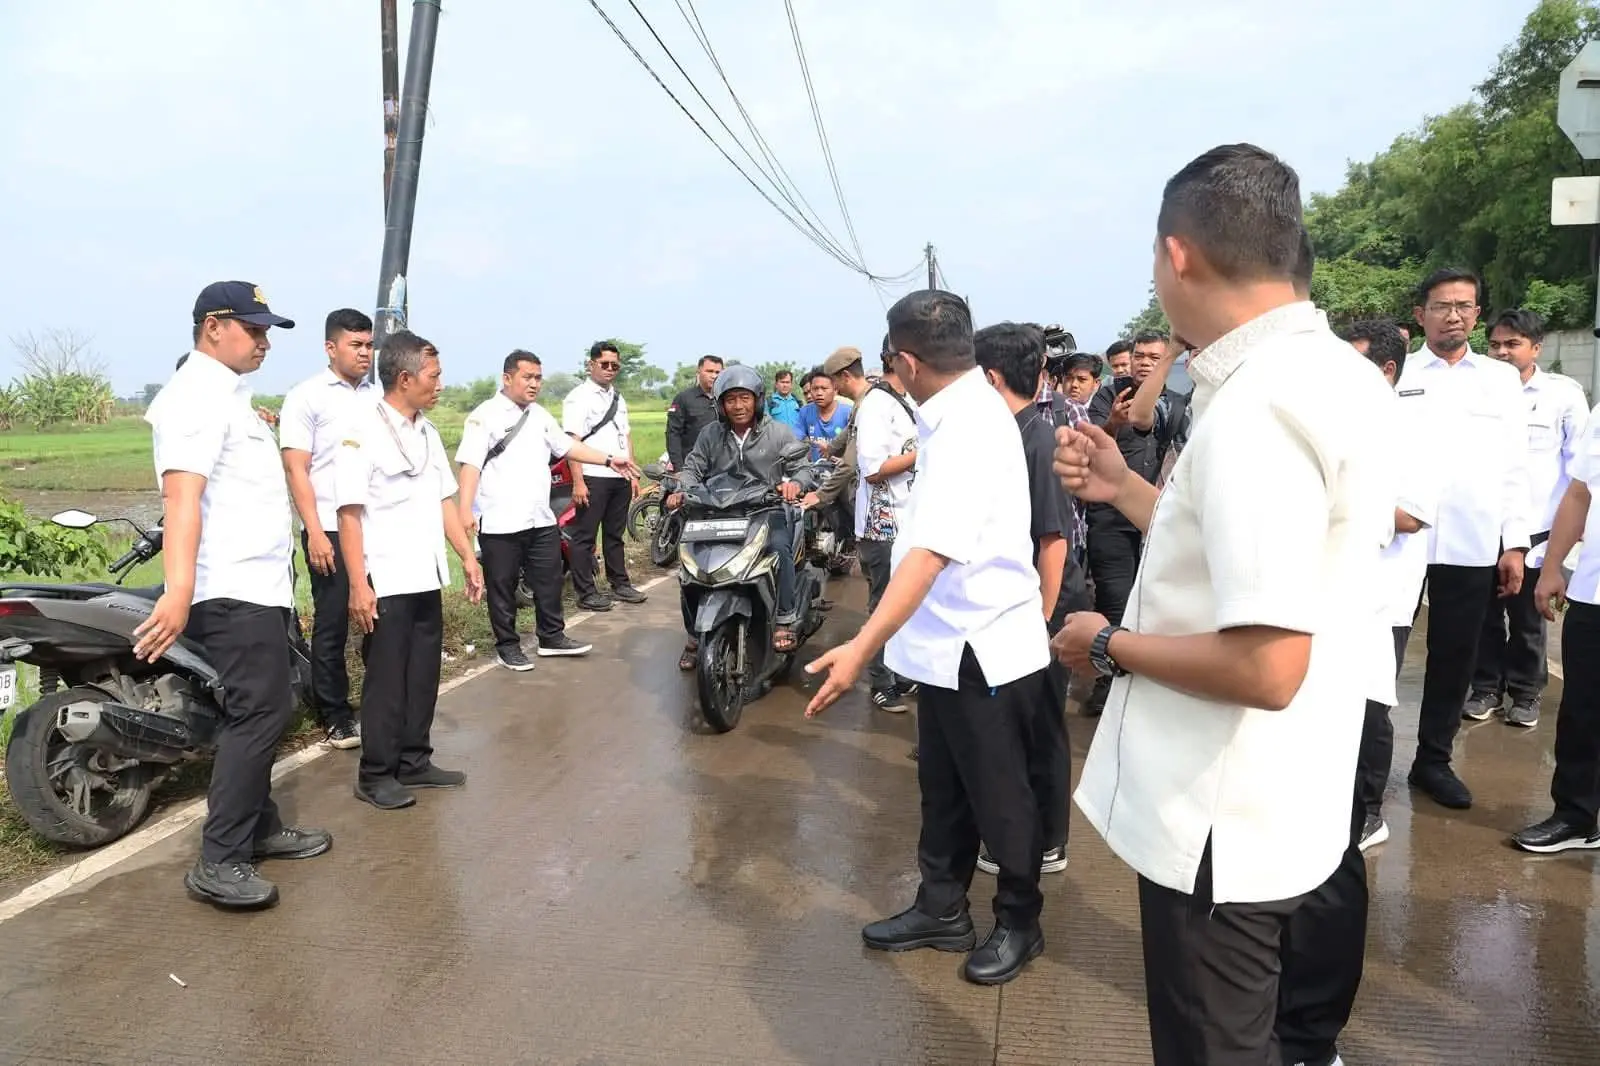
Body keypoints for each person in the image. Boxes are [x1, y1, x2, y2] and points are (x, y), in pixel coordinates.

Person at [1054, 144, 1394, 1062]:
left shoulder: (1257, 407)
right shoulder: (1337, 375)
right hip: (1288, 791)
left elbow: (1265, 662)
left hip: (1221, 818)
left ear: (1177, 255)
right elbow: (1262, 568)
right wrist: (1129, 490)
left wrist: (1109, 643)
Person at [807, 289, 1054, 988]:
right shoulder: (948, 414)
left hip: (986, 649)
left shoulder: (971, 425)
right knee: (943, 789)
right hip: (946, 648)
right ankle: (942, 908)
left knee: (1002, 797)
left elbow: (930, 554)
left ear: (905, 361)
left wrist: (861, 647)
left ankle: (1019, 919)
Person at [137, 280, 331, 910]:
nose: (264, 342)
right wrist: (179, 589)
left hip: (261, 586)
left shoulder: (230, 396)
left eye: (267, 331)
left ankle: (261, 827)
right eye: (254, 329)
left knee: (258, 708)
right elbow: (182, 498)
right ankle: (220, 857)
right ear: (213, 326)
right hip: (228, 588)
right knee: (261, 711)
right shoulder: (193, 396)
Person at [1397, 268, 1531, 810]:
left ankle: (1433, 759)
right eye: (1443, 305)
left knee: (1455, 654)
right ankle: (1363, 762)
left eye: (1466, 305)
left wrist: (1515, 544)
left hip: (1470, 541)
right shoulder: (1396, 374)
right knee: (1380, 651)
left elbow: (1515, 466)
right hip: (1397, 539)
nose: (1455, 314)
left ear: (1477, 314)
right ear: (1420, 313)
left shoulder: (1499, 380)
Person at [334, 331, 485, 811]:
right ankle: (376, 772)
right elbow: (349, 514)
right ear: (405, 378)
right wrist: (358, 584)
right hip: (386, 577)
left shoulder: (427, 431)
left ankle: (415, 759)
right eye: (434, 376)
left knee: (422, 674)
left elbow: (445, 499)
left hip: (425, 573)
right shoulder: (361, 430)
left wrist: (466, 556)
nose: (440, 385)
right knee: (386, 679)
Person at [974, 321, 1085, 879]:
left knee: (1041, 723)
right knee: (1018, 725)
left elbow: (1054, 538)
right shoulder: (1005, 433)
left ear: (991, 377)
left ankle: (1049, 839)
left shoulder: (1037, 438)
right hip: (1020, 606)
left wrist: (1041, 622)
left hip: (1045, 605)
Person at [457, 351, 638, 671]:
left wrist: (610, 459)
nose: (534, 384)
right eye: (528, 377)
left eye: (538, 378)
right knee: (502, 586)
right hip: (500, 520)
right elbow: (470, 465)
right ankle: (507, 646)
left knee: (549, 578)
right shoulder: (484, 416)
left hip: (539, 518)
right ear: (507, 378)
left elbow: (569, 447)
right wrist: (464, 510)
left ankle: (552, 637)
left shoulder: (539, 415)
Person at [1467, 309, 1587, 727]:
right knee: (1483, 616)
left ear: (1536, 348)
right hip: (1482, 526)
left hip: (1536, 532)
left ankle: (1525, 693)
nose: (1501, 352)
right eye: (1495, 344)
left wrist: (1568, 534)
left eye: (1512, 344)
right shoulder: (1474, 391)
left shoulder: (1563, 396)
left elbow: (1579, 468)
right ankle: (1484, 688)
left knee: (1528, 619)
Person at [667, 364, 814, 665]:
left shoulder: (777, 432)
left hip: (765, 508)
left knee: (780, 549)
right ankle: (694, 634)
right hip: (716, 512)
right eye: (731, 399)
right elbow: (693, 467)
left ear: (757, 400)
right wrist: (680, 489)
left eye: (744, 398)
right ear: (721, 404)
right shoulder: (711, 434)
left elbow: (802, 467)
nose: (738, 406)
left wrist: (795, 484)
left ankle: (784, 617)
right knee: (690, 565)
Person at [277, 308, 375, 750]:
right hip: (331, 529)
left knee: (382, 616)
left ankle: (379, 700)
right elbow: (297, 468)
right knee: (334, 622)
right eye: (356, 345)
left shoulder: (377, 396)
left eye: (369, 345)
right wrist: (313, 531)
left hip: (374, 525)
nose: (365, 353)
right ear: (330, 347)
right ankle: (335, 714)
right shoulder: (307, 397)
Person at [1515, 400, 1600, 853]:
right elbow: (1579, 493)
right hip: (1593, 592)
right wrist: (1551, 569)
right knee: (1582, 712)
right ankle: (1576, 817)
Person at [824, 341, 918, 712]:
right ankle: (882, 682)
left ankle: (901, 673)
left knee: (906, 602)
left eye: (833, 381)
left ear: (845, 376)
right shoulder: (877, 405)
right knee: (884, 606)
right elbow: (875, 470)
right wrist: (924, 453)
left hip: (901, 519)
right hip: (882, 527)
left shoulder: (887, 400)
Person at [563, 342, 647, 613]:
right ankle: (586, 592)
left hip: (619, 476)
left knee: (615, 534)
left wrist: (633, 473)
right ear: (591, 365)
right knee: (585, 536)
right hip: (593, 476)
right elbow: (571, 442)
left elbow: (626, 435)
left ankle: (619, 583)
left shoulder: (618, 398)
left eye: (615, 365)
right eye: (605, 364)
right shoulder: (579, 397)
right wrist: (578, 481)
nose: (610, 369)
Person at [666, 355, 724, 470]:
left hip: (722, 465)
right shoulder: (684, 398)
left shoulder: (726, 399)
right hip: (693, 465)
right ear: (699, 371)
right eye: (709, 371)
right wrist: (678, 467)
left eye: (718, 372)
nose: (713, 376)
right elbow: (673, 434)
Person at [796, 368, 853, 461]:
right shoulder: (804, 412)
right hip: (815, 471)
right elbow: (796, 438)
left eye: (824, 388)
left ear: (835, 390)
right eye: (815, 389)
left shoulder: (848, 413)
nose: (819, 393)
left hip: (841, 471)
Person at [767, 368, 804, 434]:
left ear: (791, 384)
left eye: (787, 382)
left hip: (796, 441)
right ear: (776, 384)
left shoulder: (798, 402)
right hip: (776, 441)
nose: (785, 385)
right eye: (782, 382)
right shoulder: (769, 402)